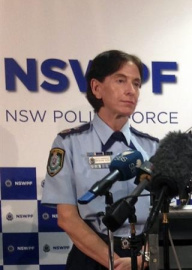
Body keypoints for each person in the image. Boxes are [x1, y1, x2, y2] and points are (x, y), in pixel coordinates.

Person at [42, 50, 159, 270]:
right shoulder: (69, 143)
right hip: (91, 258)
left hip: (145, 258)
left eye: (136, 84)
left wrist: (146, 256)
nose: (131, 91)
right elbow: (66, 217)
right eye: (121, 80)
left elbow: (165, 215)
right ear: (97, 88)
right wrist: (113, 262)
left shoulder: (153, 147)